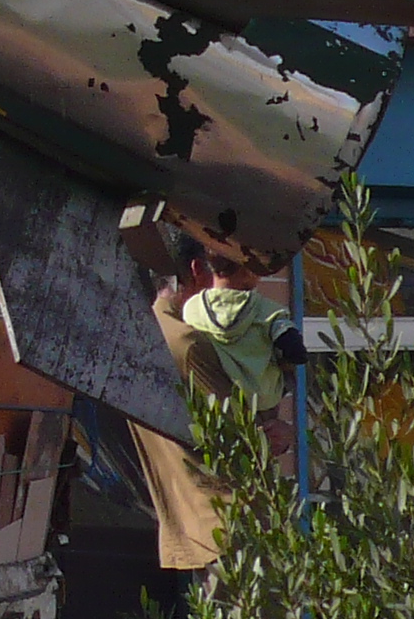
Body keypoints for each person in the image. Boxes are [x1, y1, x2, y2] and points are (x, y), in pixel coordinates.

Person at [128, 228, 306, 590]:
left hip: (193, 524)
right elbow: (241, 441)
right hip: (229, 526)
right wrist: (281, 433)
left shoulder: (142, 334)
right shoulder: (190, 344)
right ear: (197, 271)